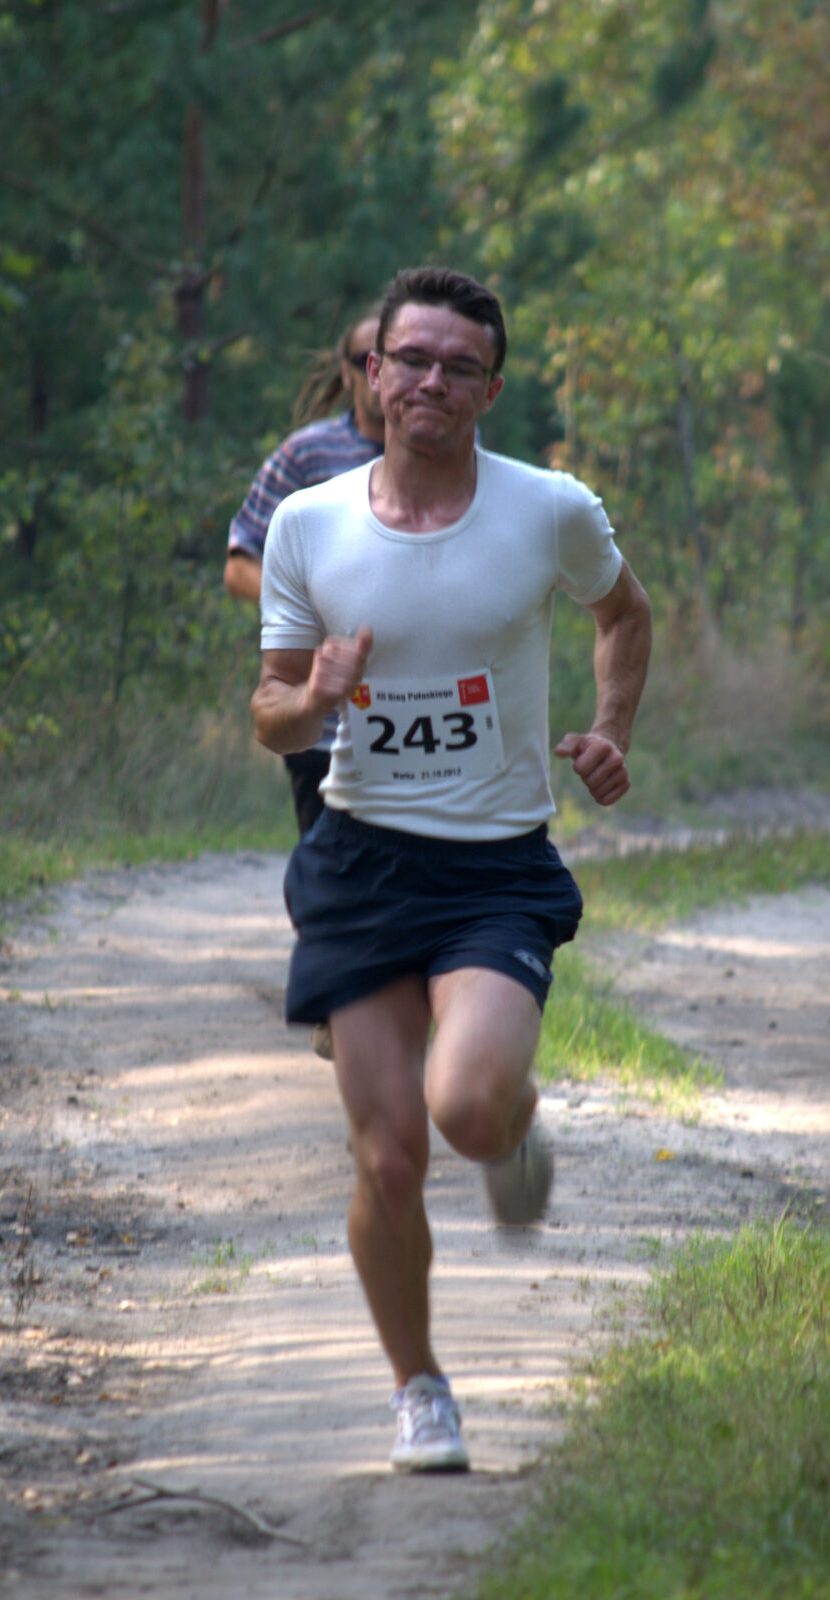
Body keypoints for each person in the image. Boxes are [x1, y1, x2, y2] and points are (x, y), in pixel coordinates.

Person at [251, 266, 652, 1473]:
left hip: (493, 868)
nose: (428, 380)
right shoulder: (307, 523)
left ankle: (515, 1128)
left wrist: (610, 730)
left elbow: (623, 614)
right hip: (358, 862)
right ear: (370, 373)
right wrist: (313, 698)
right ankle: (418, 1388)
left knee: (468, 1108)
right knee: (387, 1156)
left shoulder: (547, 509)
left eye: (456, 365)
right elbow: (269, 710)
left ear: (489, 388)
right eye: (409, 359)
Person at [225, 307, 385, 838]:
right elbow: (239, 565)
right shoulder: (305, 456)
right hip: (324, 722)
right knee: (331, 865)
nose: (381, 372)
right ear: (347, 372)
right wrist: (312, 614)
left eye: (399, 359)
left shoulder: (456, 455)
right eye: (366, 359)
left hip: (428, 714)